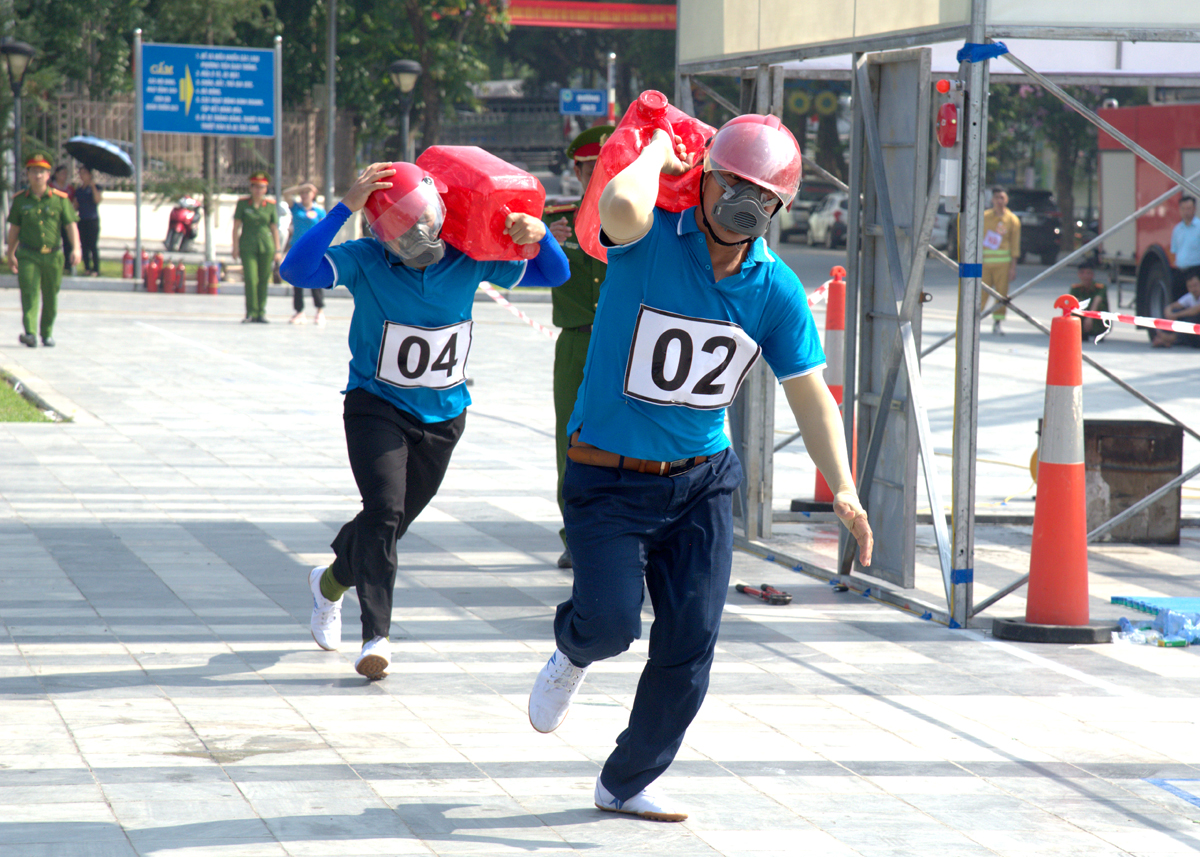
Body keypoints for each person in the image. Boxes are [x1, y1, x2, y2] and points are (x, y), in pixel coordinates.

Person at [525, 115, 874, 821]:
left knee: (691, 641)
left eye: (762, 195)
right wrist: (657, 148)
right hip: (607, 475)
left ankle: (626, 781)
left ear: (779, 209)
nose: (742, 204)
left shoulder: (773, 289)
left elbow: (810, 392)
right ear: (704, 178)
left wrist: (844, 486)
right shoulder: (650, 239)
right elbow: (618, 206)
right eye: (730, 184)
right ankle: (574, 648)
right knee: (613, 623)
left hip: (701, 480)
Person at [280, 161, 569, 679]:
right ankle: (377, 637)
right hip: (376, 406)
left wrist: (540, 234)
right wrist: (345, 206)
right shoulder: (366, 259)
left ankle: (328, 583)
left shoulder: (466, 257)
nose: (414, 235)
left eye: (421, 219)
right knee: (384, 511)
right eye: (397, 226)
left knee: (386, 526)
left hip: (443, 417)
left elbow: (555, 274)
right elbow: (296, 270)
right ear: (377, 233)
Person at [545, 124, 614, 569]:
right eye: (593, 168)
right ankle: (575, 532)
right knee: (570, 439)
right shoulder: (557, 222)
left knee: (624, 437)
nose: (601, 176)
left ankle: (617, 529)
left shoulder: (639, 220)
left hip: (623, 344)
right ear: (577, 169)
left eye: (610, 167)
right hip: (575, 343)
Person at [6, 154, 81, 347]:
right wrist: (10, 253)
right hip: (28, 255)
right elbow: (14, 229)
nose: (37, 176)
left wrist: (76, 248)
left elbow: (71, 225)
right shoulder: (21, 200)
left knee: (50, 295)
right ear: (28, 175)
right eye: (33, 171)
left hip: (53, 255)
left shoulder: (60, 199)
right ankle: (30, 333)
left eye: (42, 172)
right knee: (29, 292)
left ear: (48, 175)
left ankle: (46, 332)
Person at [232, 171, 282, 323]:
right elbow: (236, 227)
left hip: (266, 247)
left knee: (263, 279)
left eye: (261, 187)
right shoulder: (242, 204)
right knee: (250, 278)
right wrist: (235, 247)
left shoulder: (270, 206)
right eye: (255, 187)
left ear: (266, 189)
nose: (258, 190)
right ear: (251, 187)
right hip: (247, 246)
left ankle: (260, 312)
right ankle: (250, 312)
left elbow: (274, 228)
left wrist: (278, 250)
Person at [283, 181, 328, 325]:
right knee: (296, 280)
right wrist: (301, 187)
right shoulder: (296, 207)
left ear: (313, 194)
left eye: (307, 192)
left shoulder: (319, 210)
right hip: (297, 248)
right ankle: (299, 311)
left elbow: (325, 229)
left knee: (315, 278)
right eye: (302, 192)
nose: (304, 195)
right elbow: (285, 194)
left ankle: (319, 310)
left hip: (313, 250)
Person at [981, 186, 1021, 335]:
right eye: (996, 197)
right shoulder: (984, 217)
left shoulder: (1012, 220)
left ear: (1007, 199)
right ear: (992, 199)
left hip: (1003, 265)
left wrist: (1013, 267)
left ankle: (997, 322)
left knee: (1001, 295)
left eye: (1002, 197)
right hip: (984, 264)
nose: (999, 201)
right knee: (980, 294)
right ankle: (974, 321)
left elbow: (1015, 245)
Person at [1151, 267, 1200, 348]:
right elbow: (1172, 306)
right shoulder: (1190, 296)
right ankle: (1165, 338)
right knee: (1175, 312)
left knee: (1191, 319)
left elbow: (1196, 310)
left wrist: (1176, 315)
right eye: (1190, 286)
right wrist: (1169, 312)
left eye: (1196, 285)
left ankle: (1171, 339)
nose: (1193, 289)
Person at [73, 166, 103, 277]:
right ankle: (87, 268)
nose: (82, 175)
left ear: (90, 175)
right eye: (80, 173)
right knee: (84, 245)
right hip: (82, 219)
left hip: (92, 219)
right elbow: (75, 205)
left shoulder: (95, 187)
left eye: (84, 173)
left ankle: (96, 268)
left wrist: (93, 186)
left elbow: (97, 200)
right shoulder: (79, 190)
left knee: (93, 245)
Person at [1068, 260, 1108, 340]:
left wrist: (1089, 318)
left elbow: (1097, 300)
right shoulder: (1075, 288)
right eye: (1082, 273)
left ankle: (1098, 332)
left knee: (1099, 307)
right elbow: (1070, 304)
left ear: (1093, 275)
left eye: (1088, 273)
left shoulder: (1100, 287)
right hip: (1083, 317)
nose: (1085, 276)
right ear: (1079, 275)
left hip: (1094, 318)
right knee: (1076, 308)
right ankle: (1080, 331)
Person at [1170, 196, 1200, 294]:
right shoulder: (1177, 229)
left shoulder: (1199, 227)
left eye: (1189, 209)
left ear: (1194, 209)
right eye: (1183, 209)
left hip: (1196, 271)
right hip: (1180, 271)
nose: (1186, 212)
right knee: (1177, 299)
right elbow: (1174, 251)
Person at [50, 164, 75, 274]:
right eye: (62, 173)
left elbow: (73, 202)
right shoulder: (50, 187)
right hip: (53, 219)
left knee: (67, 243)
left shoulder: (69, 189)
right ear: (56, 174)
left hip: (65, 220)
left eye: (66, 174)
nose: (64, 176)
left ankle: (67, 266)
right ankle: (52, 264)